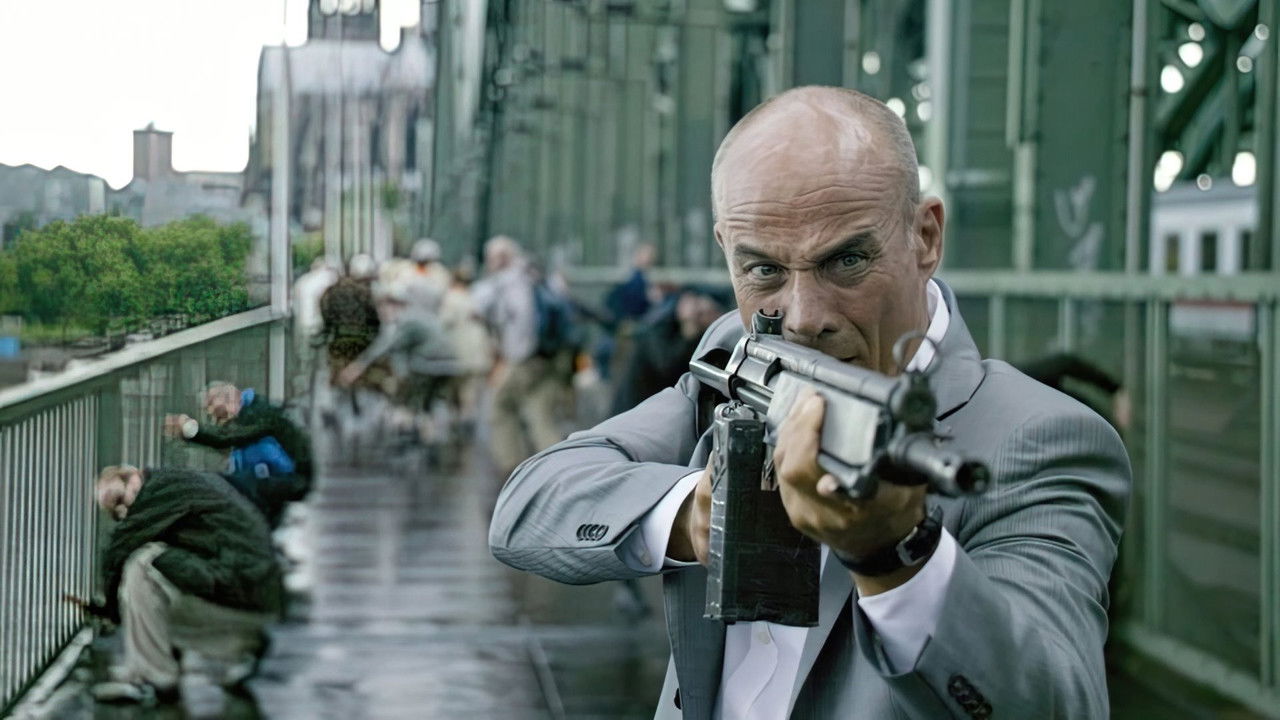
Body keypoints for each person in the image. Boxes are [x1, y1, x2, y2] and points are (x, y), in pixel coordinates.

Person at [489, 87, 1130, 719]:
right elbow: (529, 506)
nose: (802, 318)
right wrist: (697, 516)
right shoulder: (740, 357)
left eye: (846, 260)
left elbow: (1056, 703)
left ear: (926, 237)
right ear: (727, 250)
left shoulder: (1038, 436)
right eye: (763, 270)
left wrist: (896, 558)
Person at [84, 465, 281, 703]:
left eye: (119, 500)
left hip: (243, 596)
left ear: (133, 479)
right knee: (161, 578)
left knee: (141, 566)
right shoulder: (176, 484)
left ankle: (153, 677)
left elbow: (118, 550)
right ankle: (241, 646)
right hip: (257, 597)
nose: (122, 512)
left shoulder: (156, 495)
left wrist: (110, 611)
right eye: (115, 513)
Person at [472, 236, 567, 476]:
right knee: (539, 413)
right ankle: (558, 468)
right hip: (548, 356)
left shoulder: (510, 280)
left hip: (524, 358)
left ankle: (512, 468)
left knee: (500, 407)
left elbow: (518, 318)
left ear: (501, 258)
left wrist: (515, 355)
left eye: (491, 258)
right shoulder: (536, 274)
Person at [165, 382, 313, 528]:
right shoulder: (248, 421)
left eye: (211, 404)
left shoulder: (258, 412)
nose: (210, 412)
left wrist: (189, 429)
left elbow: (226, 438)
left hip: (297, 487)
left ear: (229, 397)